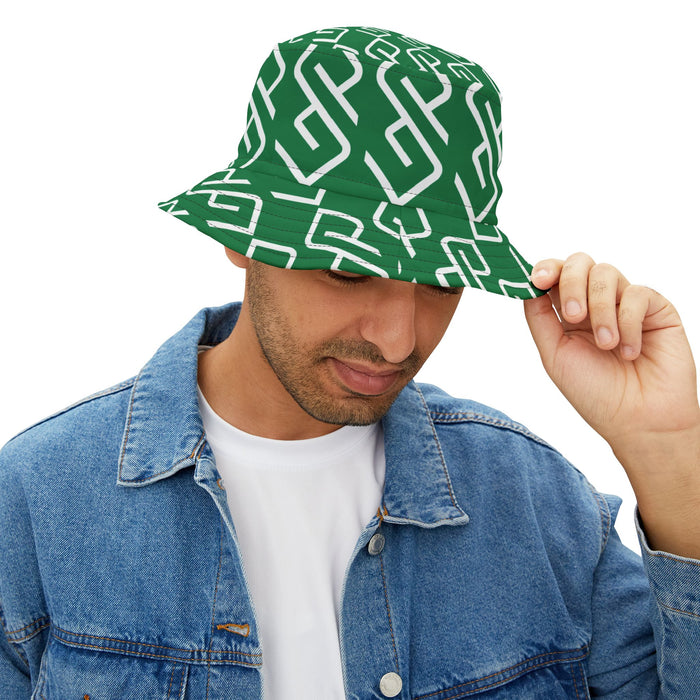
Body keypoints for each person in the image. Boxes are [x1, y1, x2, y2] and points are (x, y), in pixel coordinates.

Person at [1, 25, 698, 699]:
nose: (398, 341)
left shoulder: (537, 503)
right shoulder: (40, 499)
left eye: (440, 283)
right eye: (348, 271)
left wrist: (667, 454)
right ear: (242, 237)